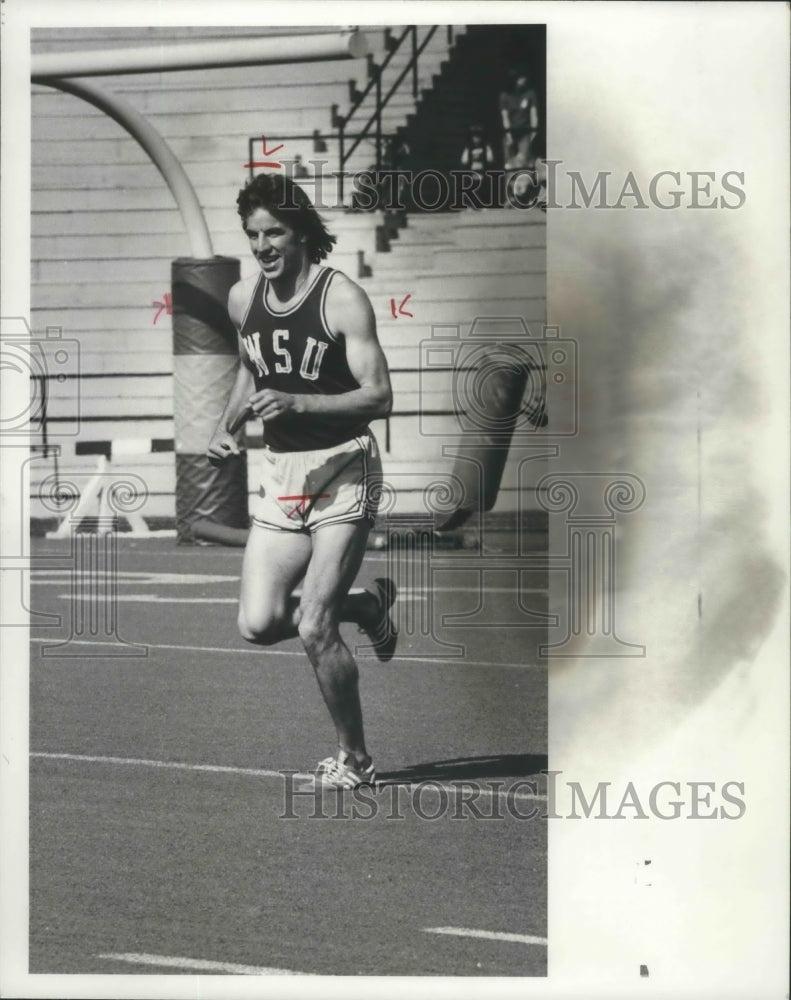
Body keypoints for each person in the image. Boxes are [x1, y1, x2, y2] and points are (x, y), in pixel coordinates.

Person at [207, 173, 396, 790]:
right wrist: (228, 423)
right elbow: (250, 366)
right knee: (259, 624)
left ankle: (356, 761)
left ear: (303, 232)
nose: (262, 245)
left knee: (314, 625)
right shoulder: (242, 298)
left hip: (343, 468)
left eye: (275, 232)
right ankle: (366, 606)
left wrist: (301, 403)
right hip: (283, 475)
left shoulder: (341, 299)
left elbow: (380, 396)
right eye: (252, 234)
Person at [499, 67, 539, 171]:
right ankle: (509, 184)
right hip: (511, 131)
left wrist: (534, 132)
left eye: (524, 77)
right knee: (509, 164)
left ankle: (523, 185)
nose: (524, 80)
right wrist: (509, 134)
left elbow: (533, 114)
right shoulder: (505, 96)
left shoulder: (530, 93)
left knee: (523, 161)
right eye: (521, 78)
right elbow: (505, 117)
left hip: (525, 131)